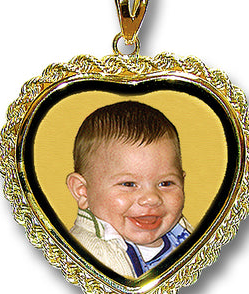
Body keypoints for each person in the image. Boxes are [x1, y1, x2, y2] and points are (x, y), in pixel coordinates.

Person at [66, 101, 192, 278]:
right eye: (129, 184)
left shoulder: (184, 233)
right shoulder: (84, 256)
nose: (151, 198)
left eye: (166, 183)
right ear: (83, 191)